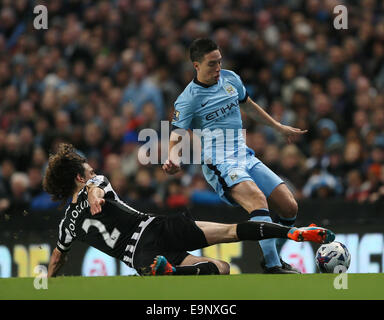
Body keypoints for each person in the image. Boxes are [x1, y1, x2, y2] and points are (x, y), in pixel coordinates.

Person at [44, 143, 334, 277]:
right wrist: (93, 193)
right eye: (88, 170)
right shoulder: (95, 183)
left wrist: (47, 281)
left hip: (142, 257)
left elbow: (58, 257)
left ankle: (170, 272)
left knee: (218, 270)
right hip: (156, 228)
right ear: (79, 177)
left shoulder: (66, 226)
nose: (93, 171)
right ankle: (293, 232)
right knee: (231, 236)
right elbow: (95, 188)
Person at [163, 38, 308, 273]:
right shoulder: (188, 99)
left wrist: (278, 127)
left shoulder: (230, 79)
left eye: (219, 62)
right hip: (219, 162)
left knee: (289, 207)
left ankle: (273, 258)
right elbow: (177, 134)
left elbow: (249, 105)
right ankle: (272, 267)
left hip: (244, 156)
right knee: (258, 201)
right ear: (196, 66)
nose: (218, 68)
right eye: (212, 64)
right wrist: (173, 157)